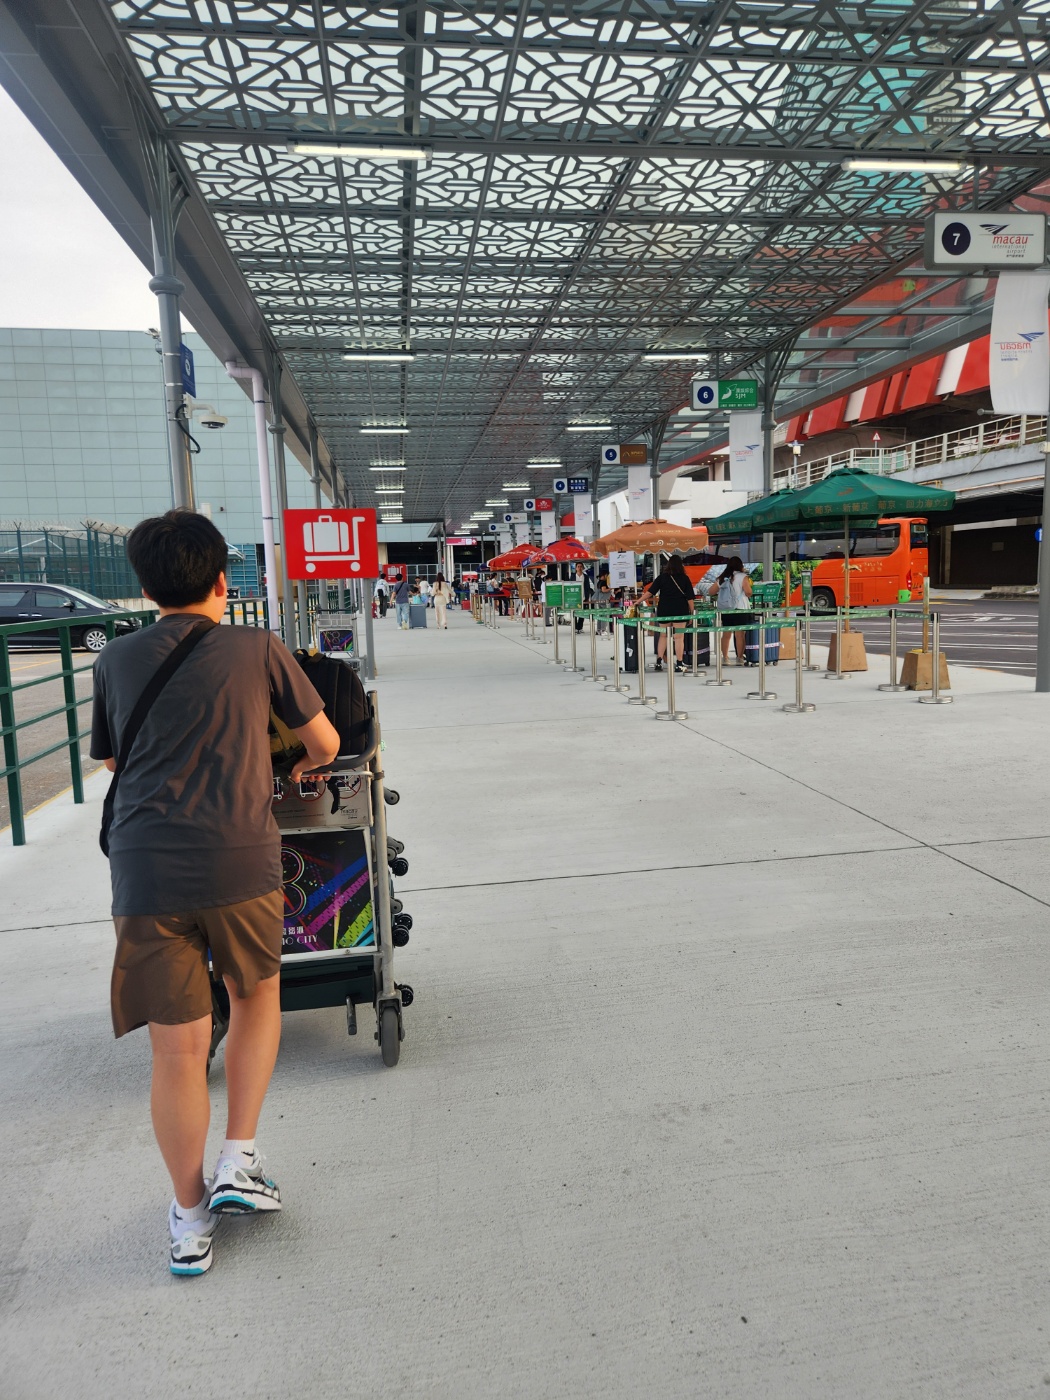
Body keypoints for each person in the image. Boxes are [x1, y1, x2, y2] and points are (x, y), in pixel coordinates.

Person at [89, 509, 341, 1277]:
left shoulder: (116, 660)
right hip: (237, 859)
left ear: (143, 586)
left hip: (145, 869)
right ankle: (240, 1157)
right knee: (256, 993)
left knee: (177, 1050)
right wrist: (290, 767)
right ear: (223, 581)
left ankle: (190, 1219)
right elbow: (325, 742)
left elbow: (108, 764)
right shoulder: (257, 646)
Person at [641, 555, 695, 672]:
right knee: (679, 637)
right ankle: (679, 663)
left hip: (664, 609)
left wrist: (638, 601)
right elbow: (690, 598)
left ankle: (659, 662)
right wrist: (691, 613)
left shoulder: (662, 578)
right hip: (680, 609)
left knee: (663, 635)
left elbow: (650, 592)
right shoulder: (685, 578)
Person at [709, 555, 752, 664]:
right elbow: (748, 592)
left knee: (726, 634)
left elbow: (711, 591)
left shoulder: (723, 577)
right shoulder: (742, 576)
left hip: (726, 609)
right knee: (740, 634)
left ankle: (725, 658)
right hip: (740, 608)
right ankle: (739, 658)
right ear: (740, 565)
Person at [573, 561, 594, 631]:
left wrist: (587, 598)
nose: (579, 568)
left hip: (584, 597)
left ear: (583, 568)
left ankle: (580, 627)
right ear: (576, 568)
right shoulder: (573, 576)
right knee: (575, 613)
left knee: (582, 613)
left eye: (581, 566)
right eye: (578, 567)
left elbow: (587, 587)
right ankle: (575, 627)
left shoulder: (586, 577)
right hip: (575, 598)